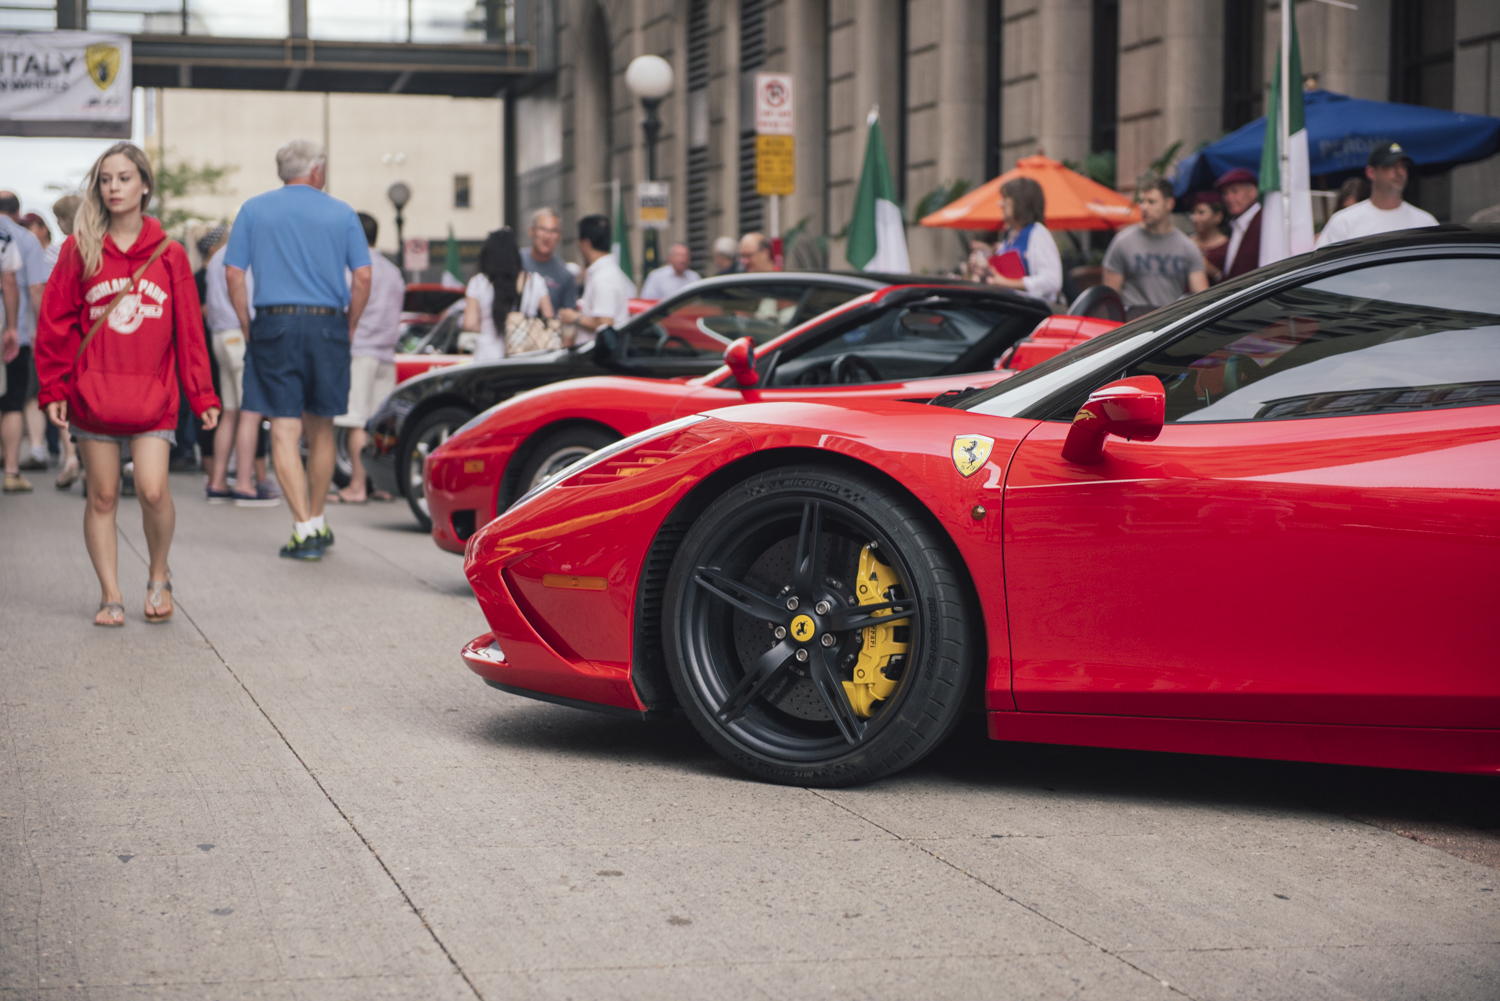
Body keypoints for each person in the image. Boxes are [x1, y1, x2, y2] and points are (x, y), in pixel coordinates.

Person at [34, 142, 221, 626]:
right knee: (102, 496)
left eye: (123, 178)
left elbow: (188, 332)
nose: (113, 187)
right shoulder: (81, 248)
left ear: (144, 185)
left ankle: (159, 575)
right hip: (94, 398)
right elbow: (56, 322)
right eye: (105, 179)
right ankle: (110, 594)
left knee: (154, 491)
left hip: (153, 396)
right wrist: (54, 388)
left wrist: (201, 394)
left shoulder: (170, 254)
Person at [224, 139, 371, 561]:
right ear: (317, 171)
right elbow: (362, 277)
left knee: (284, 429)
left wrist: (247, 322)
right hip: (328, 322)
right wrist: (351, 322)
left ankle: (304, 526)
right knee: (322, 427)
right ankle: (318, 520)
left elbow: (234, 275)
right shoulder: (342, 212)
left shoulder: (254, 209)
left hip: (274, 321)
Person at [332, 212, 406, 503]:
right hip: (386, 354)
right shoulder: (393, 270)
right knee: (380, 426)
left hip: (359, 352)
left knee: (356, 423)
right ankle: (382, 485)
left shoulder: (352, 269)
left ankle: (358, 486)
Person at [0, 191, 50, 491]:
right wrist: (42, 329)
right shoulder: (26, 239)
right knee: (13, 401)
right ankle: (11, 470)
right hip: (12, 332)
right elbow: (32, 289)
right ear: (17, 212)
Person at [1102, 179, 1209, 318]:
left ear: (1169, 203)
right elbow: (1110, 299)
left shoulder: (1187, 247)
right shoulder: (1122, 242)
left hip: (1169, 325)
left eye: (1151, 202)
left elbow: (1202, 298)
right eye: (1142, 201)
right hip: (1132, 324)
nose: (1144, 207)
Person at [1315, 143, 1438, 249]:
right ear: (1371, 172)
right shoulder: (1343, 222)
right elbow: (1320, 267)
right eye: (1390, 165)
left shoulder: (1426, 223)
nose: (1399, 171)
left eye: (1403, 166)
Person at [463, 228, 554, 362]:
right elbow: (549, 318)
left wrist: (489, 327)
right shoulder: (535, 281)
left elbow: (469, 323)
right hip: (525, 355)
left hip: (487, 356)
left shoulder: (478, 282)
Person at [972, 177, 1063, 304]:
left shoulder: (1037, 233)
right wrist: (981, 258)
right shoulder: (1011, 236)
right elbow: (996, 256)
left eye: (1005, 198)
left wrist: (1005, 282)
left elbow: (1052, 281)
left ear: (1020, 202)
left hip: (1032, 313)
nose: (1000, 204)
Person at [49, 194, 84, 489]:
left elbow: (53, 303)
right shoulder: (104, 245)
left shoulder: (63, 250)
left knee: (70, 405)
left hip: (71, 341)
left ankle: (74, 459)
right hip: (93, 339)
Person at [575, 214, 637, 338]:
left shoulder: (604, 276)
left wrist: (574, 318)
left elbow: (605, 324)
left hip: (598, 355)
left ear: (586, 243)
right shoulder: (605, 272)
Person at [520, 208, 579, 329]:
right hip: (511, 339)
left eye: (553, 231)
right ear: (531, 231)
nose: (547, 236)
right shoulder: (515, 261)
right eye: (542, 229)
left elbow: (568, 321)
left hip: (547, 342)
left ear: (559, 236)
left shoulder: (565, 274)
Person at [1216, 168, 1262, 280]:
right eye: (1225, 193)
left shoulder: (1263, 221)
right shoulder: (1238, 225)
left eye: (1234, 191)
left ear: (1253, 192)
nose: (1228, 198)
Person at [1188, 192, 1230, 284]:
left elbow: (1232, 282)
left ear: (1218, 217)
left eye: (1201, 212)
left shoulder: (1229, 247)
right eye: (1193, 212)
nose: (1194, 218)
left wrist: (1209, 269)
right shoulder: (1187, 243)